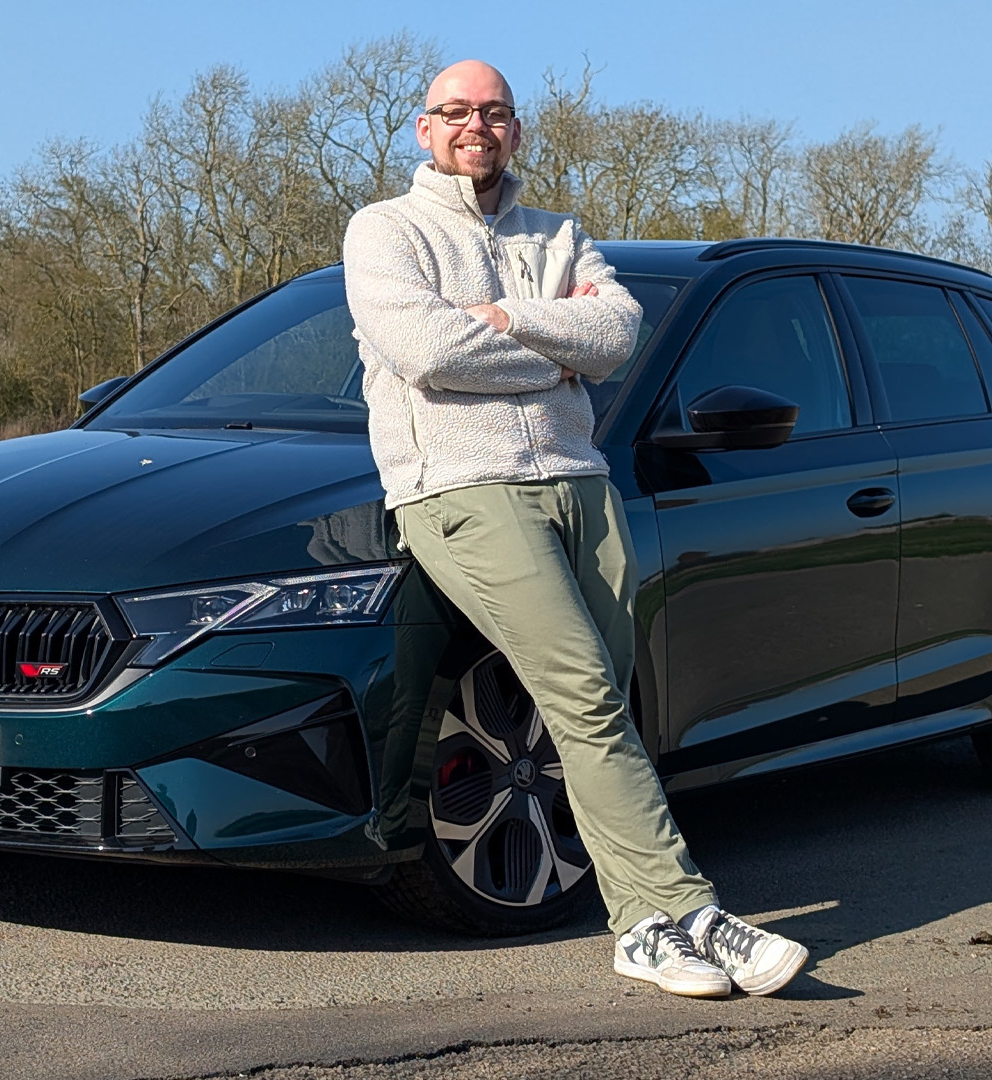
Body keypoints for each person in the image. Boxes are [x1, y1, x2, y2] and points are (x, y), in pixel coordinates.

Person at [342, 59, 809, 999]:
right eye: (456, 112)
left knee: (602, 705)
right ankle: (686, 911)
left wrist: (504, 319)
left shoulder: (558, 233)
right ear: (424, 129)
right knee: (586, 696)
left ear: (516, 129)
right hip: (464, 487)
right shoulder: (384, 230)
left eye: (495, 112)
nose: (476, 126)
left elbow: (617, 337)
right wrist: (556, 355)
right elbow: (428, 351)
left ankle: (642, 927)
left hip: (580, 482)